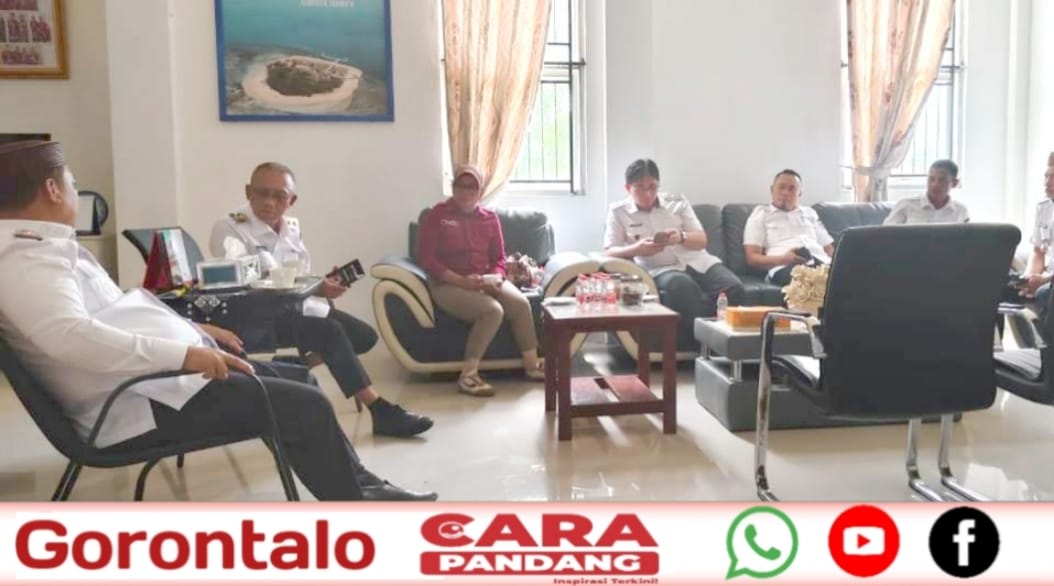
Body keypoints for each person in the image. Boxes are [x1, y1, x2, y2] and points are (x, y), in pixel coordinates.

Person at [0, 141, 436, 501]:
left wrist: (196, 331)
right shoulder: (26, 258)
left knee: (301, 378)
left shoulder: (42, 248)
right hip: (134, 405)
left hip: (155, 385)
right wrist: (185, 354)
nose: (76, 192)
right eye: (74, 184)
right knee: (306, 405)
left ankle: (362, 486)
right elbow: (71, 338)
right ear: (52, 190)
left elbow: (114, 313)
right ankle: (356, 505)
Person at [209, 162, 433, 438]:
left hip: (297, 308)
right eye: (262, 193)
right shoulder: (229, 228)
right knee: (330, 333)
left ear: (292, 200)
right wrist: (315, 288)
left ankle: (294, 365)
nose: (269, 202)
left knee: (364, 337)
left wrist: (322, 284)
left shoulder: (291, 227)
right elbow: (250, 281)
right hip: (257, 317)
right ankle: (380, 411)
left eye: (279, 196)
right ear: (248, 192)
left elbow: (298, 273)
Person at [415, 164, 544, 397]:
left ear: (480, 191)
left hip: (484, 279)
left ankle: (532, 366)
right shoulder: (437, 215)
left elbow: (500, 258)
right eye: (460, 186)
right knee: (492, 310)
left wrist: (495, 277)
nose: (465, 192)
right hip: (448, 283)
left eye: (471, 187)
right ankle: (468, 375)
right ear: (453, 187)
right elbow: (426, 258)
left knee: (520, 304)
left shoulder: (490, 218)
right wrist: (460, 280)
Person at [603, 158, 744, 344]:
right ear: (628, 188)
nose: (648, 194)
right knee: (682, 287)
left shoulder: (677, 202)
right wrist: (636, 249)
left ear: (659, 184)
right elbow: (609, 251)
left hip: (698, 261)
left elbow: (702, 240)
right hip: (661, 268)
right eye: (640, 188)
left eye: (652, 187)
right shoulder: (618, 212)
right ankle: (700, 345)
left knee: (733, 287)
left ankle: (721, 343)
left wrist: (681, 237)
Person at [743, 169, 835, 287]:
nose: (785, 193)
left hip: (822, 264)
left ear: (799, 194)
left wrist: (838, 266)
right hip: (785, 268)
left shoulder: (810, 213)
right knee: (809, 281)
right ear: (772, 190)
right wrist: (783, 259)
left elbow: (828, 249)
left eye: (792, 189)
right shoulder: (761, 214)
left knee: (846, 276)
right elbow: (752, 258)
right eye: (781, 187)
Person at [1017, 152, 1054, 319]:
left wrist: (1045, 280)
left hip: (1050, 282)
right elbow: (1038, 251)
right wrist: (1028, 279)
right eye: (1046, 176)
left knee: (1046, 293)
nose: (1047, 182)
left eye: (1053, 177)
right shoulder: (1043, 207)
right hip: (1047, 276)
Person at [883, 160, 969, 225]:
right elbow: (885, 236)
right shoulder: (906, 205)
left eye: (941, 180)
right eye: (931, 179)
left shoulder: (961, 210)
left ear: (954, 183)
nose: (935, 185)